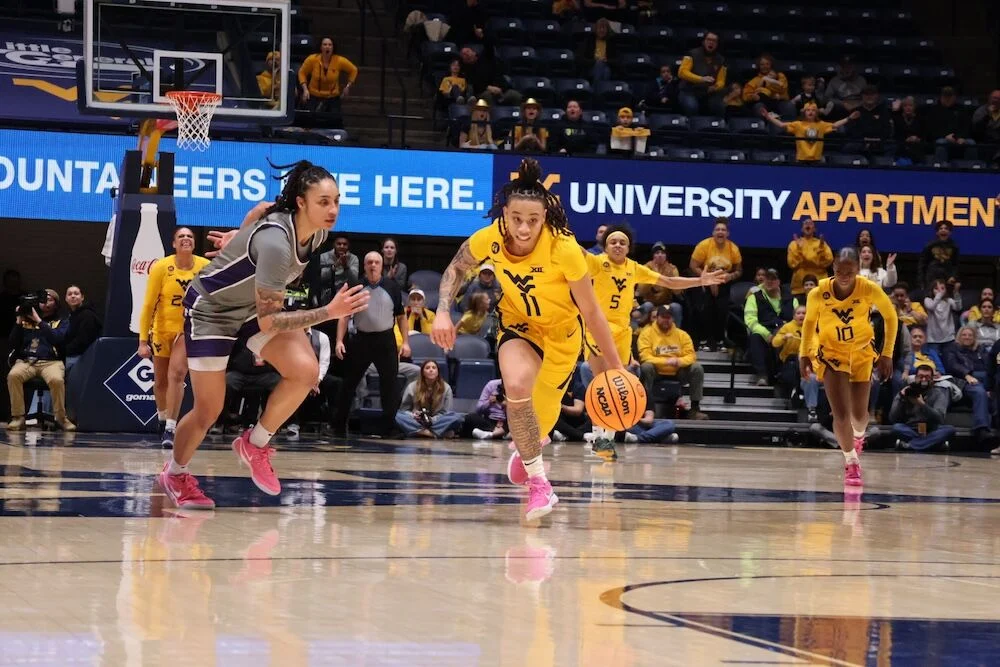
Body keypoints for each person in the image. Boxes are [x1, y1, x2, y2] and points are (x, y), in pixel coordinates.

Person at [165, 161, 371, 509]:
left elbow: (261, 211)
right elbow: (269, 323)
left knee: (305, 372)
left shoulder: (316, 233)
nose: (333, 209)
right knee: (208, 411)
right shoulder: (277, 245)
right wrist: (328, 313)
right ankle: (175, 473)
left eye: (337, 200)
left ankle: (255, 443)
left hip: (251, 307)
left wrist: (240, 236)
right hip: (212, 311)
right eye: (324, 201)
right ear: (301, 202)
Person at [430, 158, 625, 521]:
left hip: (564, 338)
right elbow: (457, 266)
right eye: (516, 218)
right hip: (519, 325)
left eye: (533, 221)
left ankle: (528, 450)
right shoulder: (489, 238)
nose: (523, 228)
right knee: (516, 387)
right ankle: (540, 485)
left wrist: (614, 368)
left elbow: (593, 312)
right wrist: (443, 310)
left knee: (541, 420)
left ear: (545, 219)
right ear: (505, 213)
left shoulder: (563, 248)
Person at [579, 224, 724, 456]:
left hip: (623, 331)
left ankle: (606, 436)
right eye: (613, 241)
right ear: (605, 246)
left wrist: (700, 281)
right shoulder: (597, 263)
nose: (617, 245)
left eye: (622, 242)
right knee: (602, 383)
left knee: (616, 385)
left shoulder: (634, 269)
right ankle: (600, 434)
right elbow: (579, 253)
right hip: (598, 327)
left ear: (628, 248)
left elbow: (669, 282)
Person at [799, 247, 898, 486]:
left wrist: (886, 354)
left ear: (857, 269)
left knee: (859, 416)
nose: (844, 275)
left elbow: (891, 317)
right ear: (833, 268)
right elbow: (809, 323)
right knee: (841, 413)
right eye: (839, 270)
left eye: (849, 271)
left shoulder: (868, 288)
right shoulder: (818, 292)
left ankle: (859, 437)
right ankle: (851, 461)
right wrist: (803, 354)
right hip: (832, 353)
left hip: (862, 352)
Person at [137, 227, 210, 447]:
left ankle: (171, 427)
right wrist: (142, 340)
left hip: (188, 329)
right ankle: (161, 419)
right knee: (160, 381)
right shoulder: (161, 267)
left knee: (176, 374)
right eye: (181, 236)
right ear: (174, 244)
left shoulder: (205, 267)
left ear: (194, 244)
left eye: (190, 236)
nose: (186, 239)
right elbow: (149, 304)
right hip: (162, 329)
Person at [334, 251, 410, 437]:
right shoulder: (357, 286)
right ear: (365, 266)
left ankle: (388, 428)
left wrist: (406, 342)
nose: (373, 265)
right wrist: (338, 341)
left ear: (381, 265)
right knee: (348, 384)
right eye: (369, 262)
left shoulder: (392, 286)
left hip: (385, 341)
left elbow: (401, 317)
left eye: (376, 262)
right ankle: (338, 427)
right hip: (361, 340)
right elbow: (344, 316)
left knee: (390, 386)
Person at [6, 289, 73, 431]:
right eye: (43, 299)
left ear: (56, 304)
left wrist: (39, 320)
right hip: (27, 361)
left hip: (51, 362)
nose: (45, 301)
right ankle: (18, 418)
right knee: (13, 375)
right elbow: (13, 343)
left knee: (57, 380)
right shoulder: (25, 319)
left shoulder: (62, 321)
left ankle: (61, 418)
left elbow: (57, 338)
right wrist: (19, 320)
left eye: (50, 299)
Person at [638, 306, 708, 420]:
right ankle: (645, 409)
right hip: (656, 371)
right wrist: (665, 361)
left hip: (678, 371)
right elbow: (645, 356)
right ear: (657, 318)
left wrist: (679, 361)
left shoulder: (682, 335)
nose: (666, 320)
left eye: (669, 317)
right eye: (663, 317)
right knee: (646, 367)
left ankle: (694, 409)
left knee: (697, 368)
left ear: (673, 318)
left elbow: (691, 356)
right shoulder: (646, 334)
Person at [689, 217, 742, 352]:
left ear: (727, 233)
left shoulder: (733, 248)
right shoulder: (704, 245)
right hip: (705, 282)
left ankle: (720, 341)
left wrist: (730, 276)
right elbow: (693, 266)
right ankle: (705, 340)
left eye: (723, 230)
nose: (720, 232)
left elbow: (739, 270)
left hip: (724, 284)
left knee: (722, 311)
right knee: (706, 310)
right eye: (717, 229)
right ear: (713, 232)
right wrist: (707, 279)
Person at [744, 268, 797, 386]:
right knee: (755, 336)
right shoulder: (754, 297)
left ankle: (786, 375)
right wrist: (767, 334)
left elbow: (797, 320)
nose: (769, 282)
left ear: (779, 282)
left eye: (773, 279)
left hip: (785, 331)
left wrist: (783, 332)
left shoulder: (790, 298)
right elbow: (750, 321)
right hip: (765, 331)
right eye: (767, 279)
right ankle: (762, 375)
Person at [762, 102, 859, 163]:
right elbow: (781, 125)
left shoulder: (821, 125)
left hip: (817, 160)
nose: (810, 112)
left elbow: (835, 125)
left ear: (816, 113)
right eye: (808, 110)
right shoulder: (798, 124)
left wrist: (849, 118)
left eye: (813, 110)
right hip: (800, 160)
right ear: (804, 112)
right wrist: (768, 117)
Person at [890, 364, 956, 451]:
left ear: (932, 379)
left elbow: (940, 418)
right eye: (921, 376)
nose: (924, 380)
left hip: (931, 429)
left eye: (927, 377)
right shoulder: (908, 392)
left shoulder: (938, 393)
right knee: (896, 428)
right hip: (911, 428)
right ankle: (932, 444)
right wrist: (900, 398)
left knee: (949, 430)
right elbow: (893, 418)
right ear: (915, 378)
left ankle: (910, 446)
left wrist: (923, 405)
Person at [772, 304, 820, 422]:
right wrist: (784, 338)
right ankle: (794, 396)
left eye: (804, 313)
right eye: (798, 313)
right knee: (792, 373)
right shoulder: (787, 327)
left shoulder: (813, 328)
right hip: (791, 359)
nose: (801, 315)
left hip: (809, 360)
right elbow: (775, 342)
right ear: (794, 316)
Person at [945, 326, 992, 440]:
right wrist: (966, 374)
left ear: (975, 337)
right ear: (959, 337)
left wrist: (990, 386)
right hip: (963, 381)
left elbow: (990, 366)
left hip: (983, 379)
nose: (967, 337)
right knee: (979, 392)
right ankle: (981, 428)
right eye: (964, 335)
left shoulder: (981, 349)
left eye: (970, 335)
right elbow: (952, 365)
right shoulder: (952, 348)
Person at [395, 360, 463, 438]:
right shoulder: (412, 386)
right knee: (397, 415)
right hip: (416, 420)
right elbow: (404, 409)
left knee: (458, 417)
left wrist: (432, 420)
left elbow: (447, 412)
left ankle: (416, 431)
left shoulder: (446, 388)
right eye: (427, 368)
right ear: (423, 372)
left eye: (434, 368)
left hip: (436, 421)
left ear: (437, 372)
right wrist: (413, 415)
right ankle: (429, 433)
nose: (431, 370)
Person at [297, 37, 357, 125]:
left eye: (330, 45)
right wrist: (305, 89)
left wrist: (348, 86)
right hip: (314, 95)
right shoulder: (313, 59)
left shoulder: (339, 60)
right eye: (325, 45)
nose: (327, 47)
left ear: (333, 47)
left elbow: (353, 70)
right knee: (308, 121)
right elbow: (302, 72)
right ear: (321, 47)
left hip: (332, 97)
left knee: (335, 122)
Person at [677, 32, 727, 117]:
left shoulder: (721, 60)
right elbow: (682, 72)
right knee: (692, 107)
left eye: (714, 41)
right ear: (703, 42)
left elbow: (721, 80)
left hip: (707, 92)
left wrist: (716, 87)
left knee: (719, 107)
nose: (711, 42)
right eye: (709, 40)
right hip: (689, 91)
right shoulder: (691, 54)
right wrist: (701, 79)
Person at [636, 241, 682, 322]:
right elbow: (640, 292)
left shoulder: (672, 269)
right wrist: (653, 277)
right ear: (653, 256)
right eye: (657, 253)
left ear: (666, 256)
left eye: (662, 253)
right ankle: (635, 333)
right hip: (649, 303)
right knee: (647, 305)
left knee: (676, 307)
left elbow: (677, 292)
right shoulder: (646, 268)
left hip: (665, 304)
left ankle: (676, 333)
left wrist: (672, 280)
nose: (660, 255)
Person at [786, 217, 832, 296]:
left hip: (819, 287)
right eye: (805, 223)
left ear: (814, 229)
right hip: (799, 288)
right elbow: (792, 263)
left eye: (810, 224)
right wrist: (799, 250)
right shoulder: (794, 244)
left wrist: (821, 250)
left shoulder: (821, 244)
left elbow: (828, 261)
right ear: (802, 229)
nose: (808, 225)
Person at [63, 284, 102, 373]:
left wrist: (63, 351)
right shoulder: (70, 316)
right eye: (69, 294)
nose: (73, 296)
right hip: (71, 354)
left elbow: (83, 340)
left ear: (82, 297)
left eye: (76, 294)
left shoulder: (88, 315)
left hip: (82, 356)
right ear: (66, 298)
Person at [742, 53, 793, 119]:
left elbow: (782, 88)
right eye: (762, 64)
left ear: (771, 65)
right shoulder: (755, 80)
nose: (765, 66)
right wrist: (753, 97)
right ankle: (763, 127)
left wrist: (767, 82)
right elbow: (745, 96)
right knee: (759, 106)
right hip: (763, 103)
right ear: (759, 66)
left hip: (780, 102)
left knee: (789, 106)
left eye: (767, 64)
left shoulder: (780, 75)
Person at [923, 278, 962, 356]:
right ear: (932, 290)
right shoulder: (928, 300)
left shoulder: (948, 300)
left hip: (948, 338)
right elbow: (931, 307)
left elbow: (958, 307)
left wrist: (956, 293)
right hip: (933, 339)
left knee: (949, 361)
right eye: (936, 289)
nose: (939, 291)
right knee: (935, 362)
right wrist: (939, 295)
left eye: (942, 288)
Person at [917, 220, 959, 289]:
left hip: (947, 276)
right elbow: (922, 264)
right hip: (932, 276)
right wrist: (921, 281)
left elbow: (956, 264)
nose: (943, 230)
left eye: (946, 229)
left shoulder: (954, 247)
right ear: (937, 232)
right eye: (941, 228)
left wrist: (953, 276)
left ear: (950, 232)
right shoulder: (930, 245)